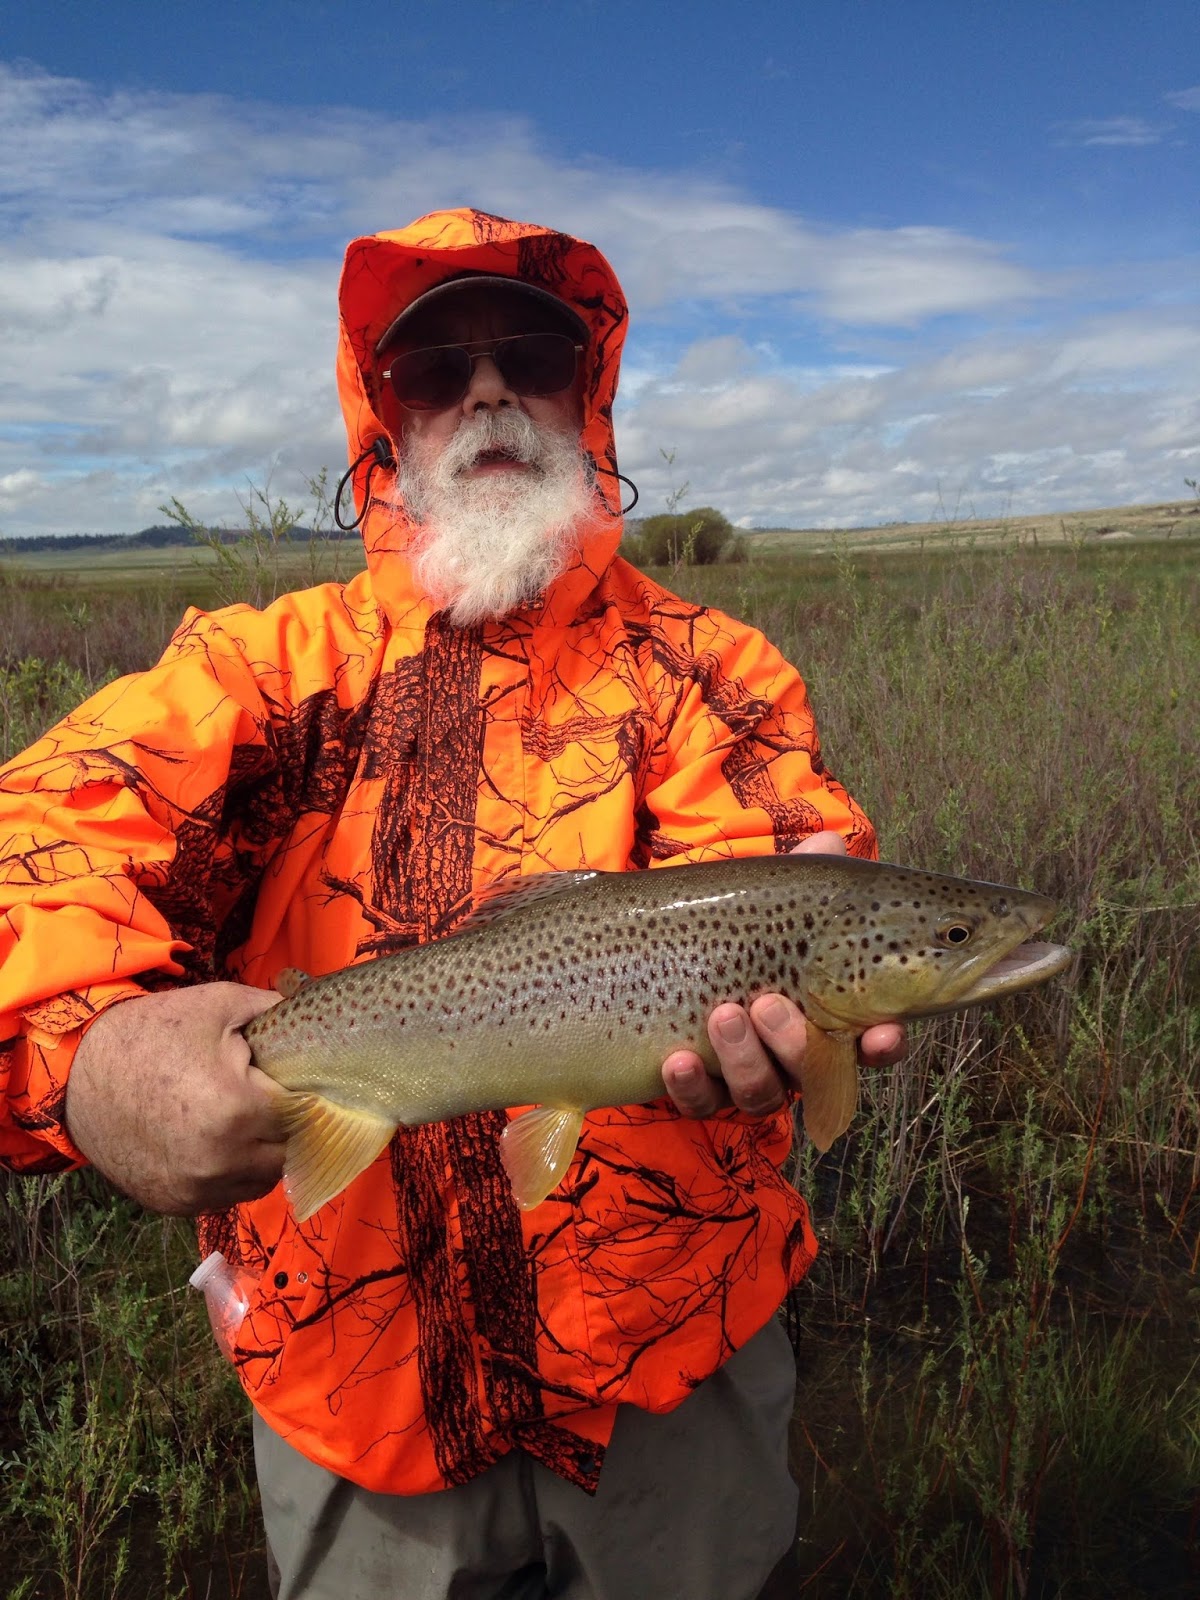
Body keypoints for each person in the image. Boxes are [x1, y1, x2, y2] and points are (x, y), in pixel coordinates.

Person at [0, 208, 905, 1599]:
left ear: (584, 390)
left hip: (675, 1371)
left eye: (528, 353)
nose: (486, 390)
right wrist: (94, 1067)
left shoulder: (712, 672)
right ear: (386, 418)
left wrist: (797, 1042)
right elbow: (39, 834)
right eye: (434, 367)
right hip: (352, 1388)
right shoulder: (263, 671)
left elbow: (793, 865)